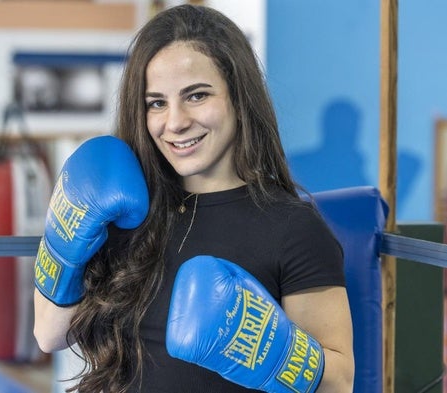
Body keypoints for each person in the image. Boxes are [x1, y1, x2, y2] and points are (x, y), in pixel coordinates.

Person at [33, 4, 354, 393]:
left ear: (238, 97)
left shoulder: (291, 226)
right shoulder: (126, 213)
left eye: (197, 95)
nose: (176, 121)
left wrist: (274, 352)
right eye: (157, 103)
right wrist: (63, 243)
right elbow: (48, 335)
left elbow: (340, 384)